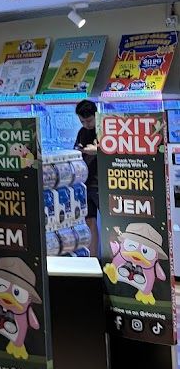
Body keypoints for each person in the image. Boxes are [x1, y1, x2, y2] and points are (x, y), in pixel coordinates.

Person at [74, 99, 99, 256]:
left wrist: (96, 150)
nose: (86, 124)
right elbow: (77, 149)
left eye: (89, 120)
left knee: (109, 222)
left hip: (102, 183)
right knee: (89, 221)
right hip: (86, 184)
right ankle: (93, 258)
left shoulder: (105, 129)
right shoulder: (82, 132)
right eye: (82, 121)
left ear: (96, 115)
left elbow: (115, 151)